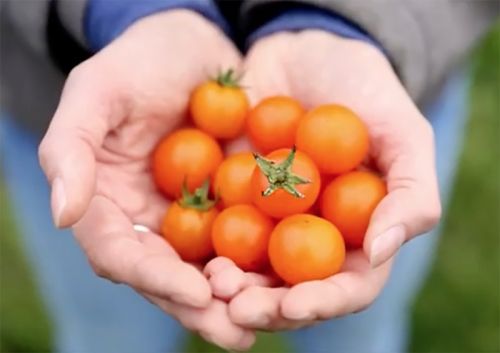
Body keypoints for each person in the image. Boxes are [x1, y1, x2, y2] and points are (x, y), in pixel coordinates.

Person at [0, 1, 497, 352]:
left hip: (399, 64)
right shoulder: (264, 176)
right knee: (108, 328)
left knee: (358, 329)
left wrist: (353, 20)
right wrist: (128, 9)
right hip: (76, 101)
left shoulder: (295, 171)